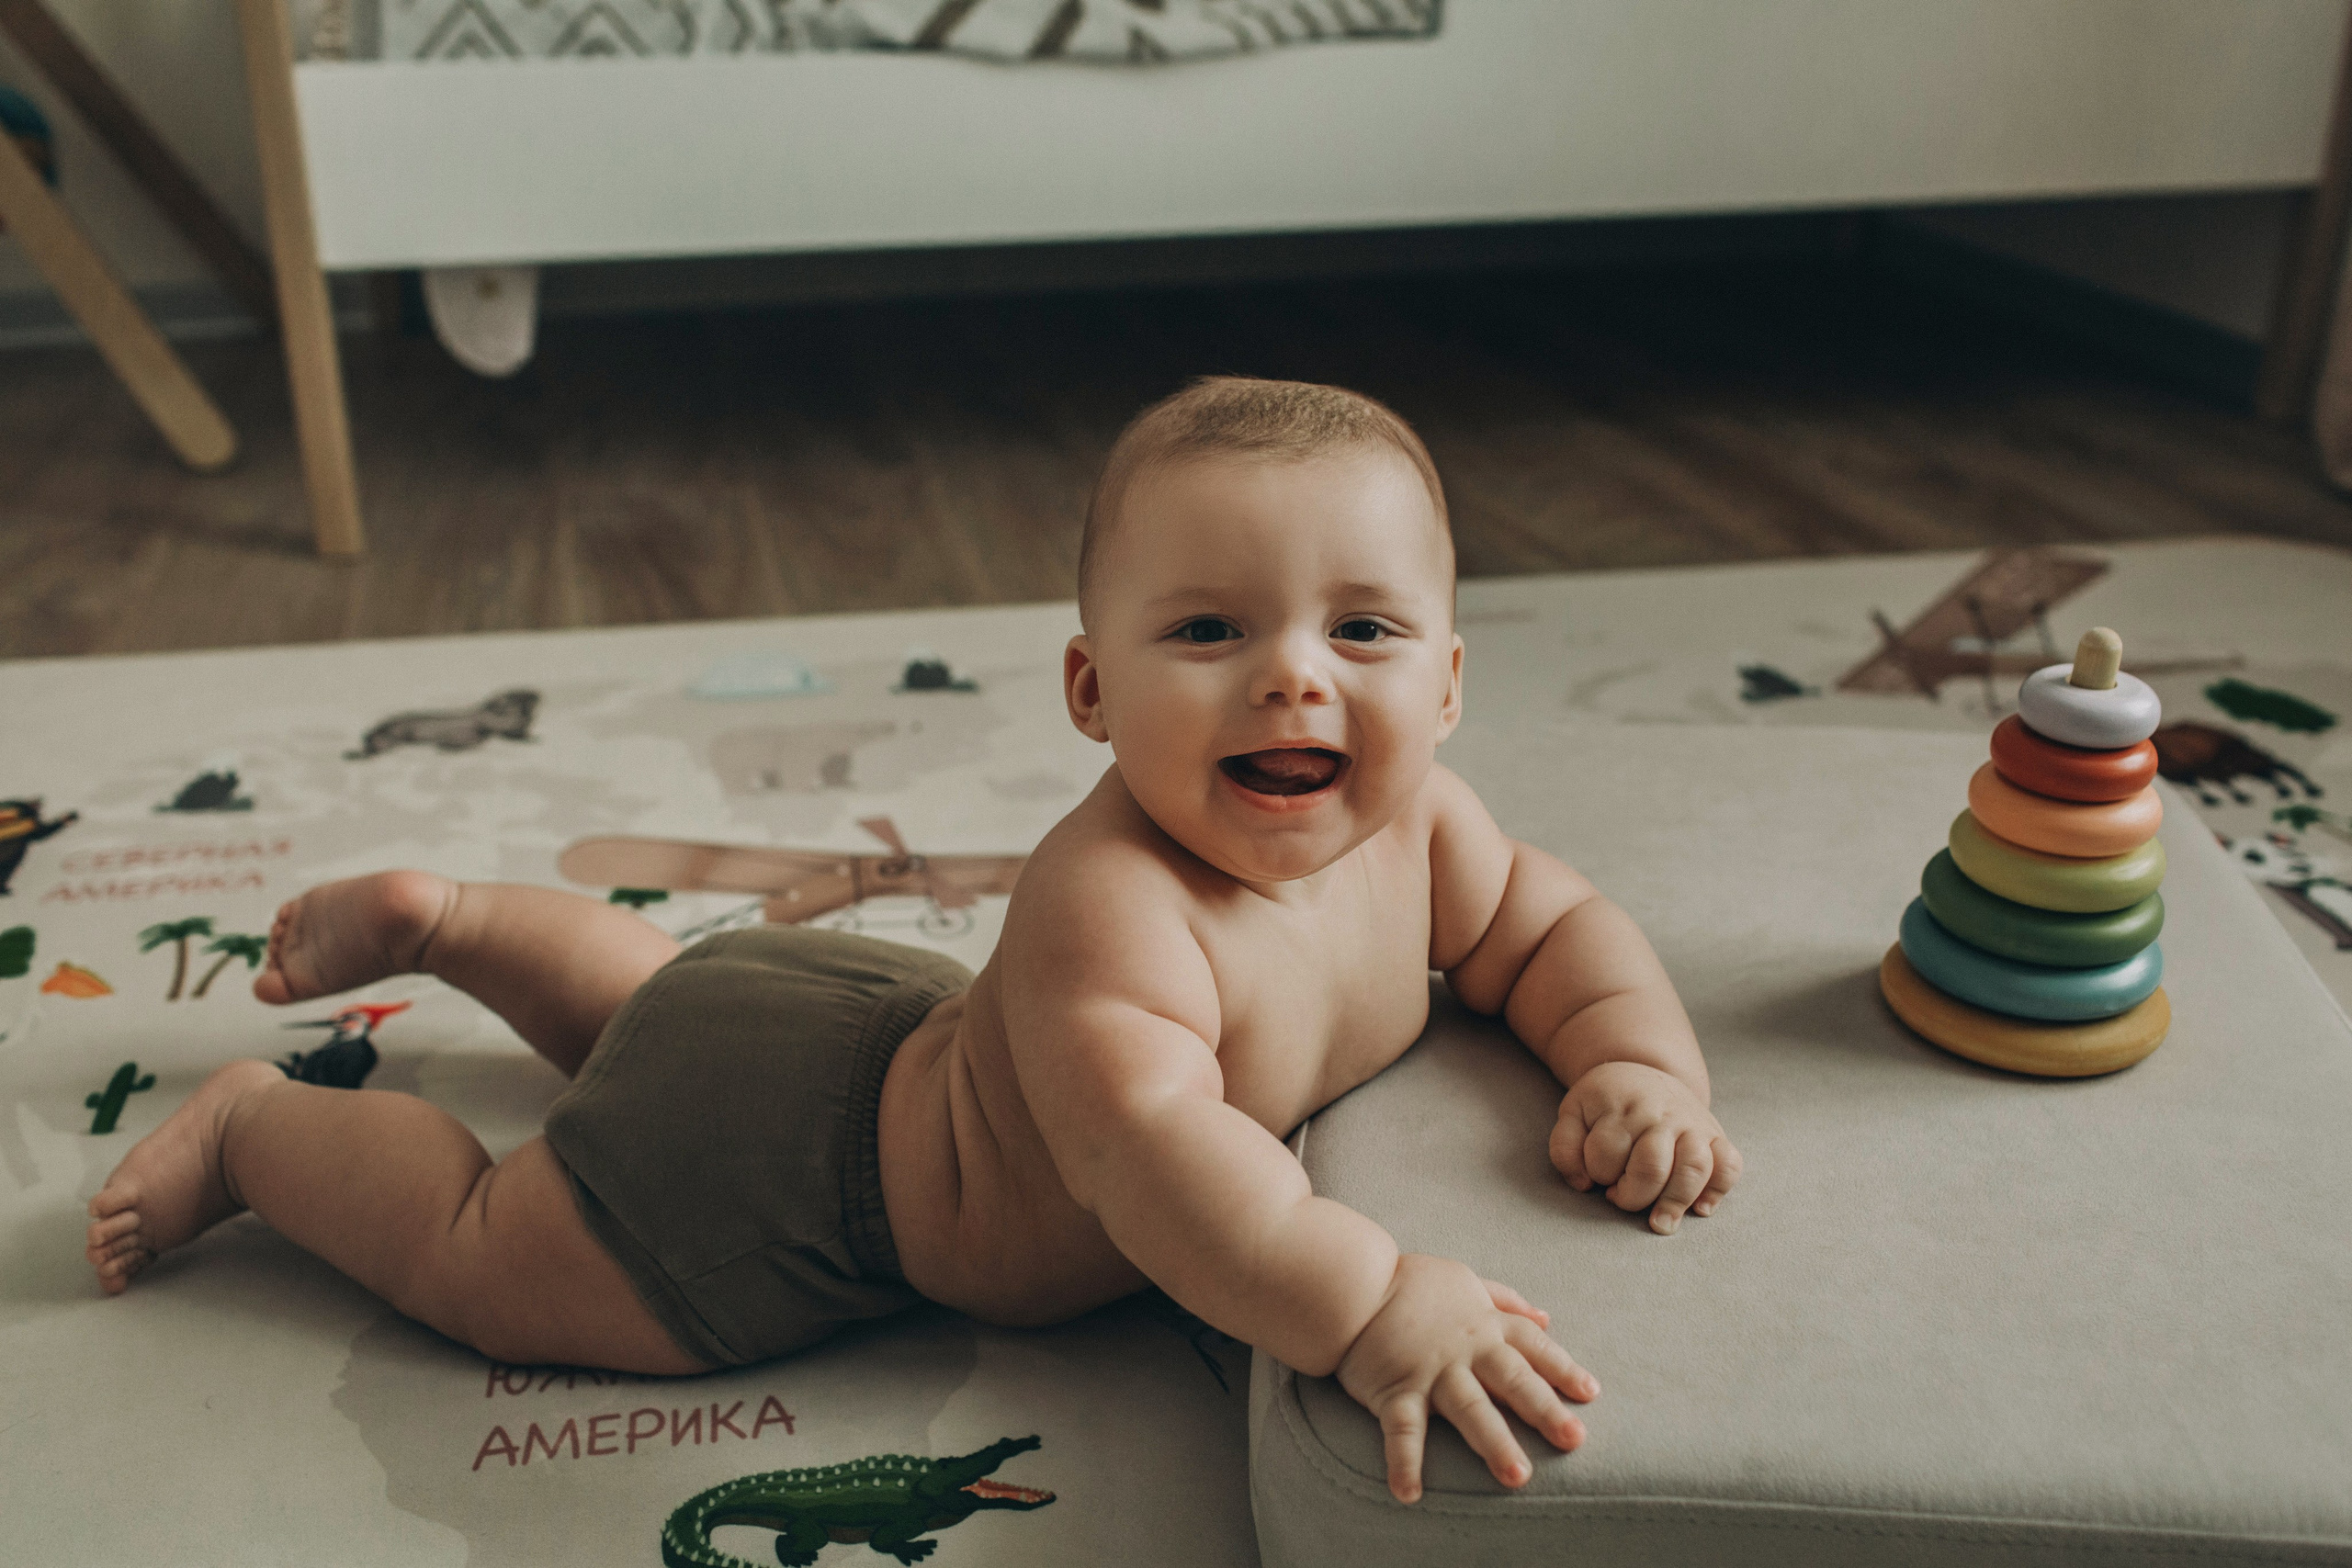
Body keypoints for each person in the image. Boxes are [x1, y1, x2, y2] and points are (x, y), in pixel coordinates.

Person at [87, 377, 1740, 1504]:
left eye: (1362, 629)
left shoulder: (1434, 829)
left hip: (861, 1022)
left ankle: (456, 922)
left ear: (1447, 685)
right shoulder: (1115, 900)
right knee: (489, 1252)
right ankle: (263, 1131)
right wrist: (1375, 1299)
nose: (1294, 676)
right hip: (811, 1198)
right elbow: (1164, 1160)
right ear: (1091, 691)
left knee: (668, 1006)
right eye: (1209, 630)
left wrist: (1634, 1061)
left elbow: (1555, 928)